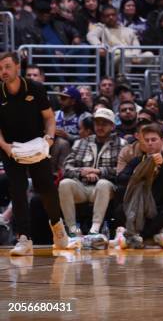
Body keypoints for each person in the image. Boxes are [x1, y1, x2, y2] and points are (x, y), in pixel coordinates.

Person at [0, 52, 77, 255]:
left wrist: (49, 140)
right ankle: (24, 239)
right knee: (17, 189)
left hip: (36, 145)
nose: (3, 72)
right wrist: (7, 147)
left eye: (7, 67)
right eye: (0, 68)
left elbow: (49, 118)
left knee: (46, 188)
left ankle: (59, 231)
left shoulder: (35, 88)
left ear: (18, 67)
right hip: (11, 147)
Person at [58, 108, 126, 239]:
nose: (100, 126)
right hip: (82, 187)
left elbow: (122, 171)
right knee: (65, 183)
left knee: (103, 183)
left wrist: (99, 171)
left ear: (112, 126)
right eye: (97, 123)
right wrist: (82, 173)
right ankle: (73, 230)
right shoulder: (81, 142)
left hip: (106, 189)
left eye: (104, 123)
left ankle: (95, 229)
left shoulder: (122, 144)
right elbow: (66, 167)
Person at [115, 123, 163, 247]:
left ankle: (139, 236)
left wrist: (162, 166)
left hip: (159, 208)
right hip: (138, 207)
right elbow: (121, 178)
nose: (150, 143)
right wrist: (141, 173)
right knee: (119, 207)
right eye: (146, 140)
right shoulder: (137, 161)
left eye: (154, 140)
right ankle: (156, 235)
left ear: (162, 141)